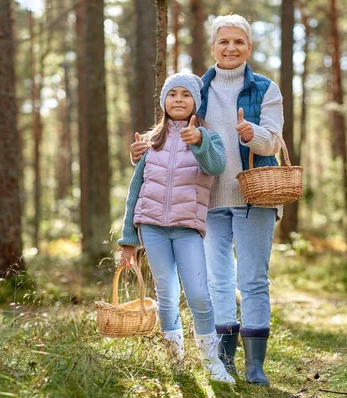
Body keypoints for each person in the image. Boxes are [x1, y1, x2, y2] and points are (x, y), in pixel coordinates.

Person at [131, 15, 284, 386]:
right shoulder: (198, 87)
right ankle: (224, 360)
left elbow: (273, 142)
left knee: (252, 280)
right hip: (207, 200)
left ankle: (255, 367)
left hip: (254, 196)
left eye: (239, 42)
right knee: (217, 281)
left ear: (249, 47)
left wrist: (254, 134)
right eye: (224, 42)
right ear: (213, 46)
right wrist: (144, 151)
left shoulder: (266, 88)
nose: (231, 48)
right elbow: (172, 128)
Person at [118, 73, 234, 384]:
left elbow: (216, 167)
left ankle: (212, 363)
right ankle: (175, 359)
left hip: (187, 228)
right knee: (166, 295)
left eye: (186, 94)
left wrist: (199, 143)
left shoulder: (208, 136)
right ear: (164, 102)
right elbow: (136, 190)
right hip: (152, 228)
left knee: (197, 294)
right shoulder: (151, 141)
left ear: (196, 101)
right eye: (172, 94)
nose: (179, 99)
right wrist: (128, 240)